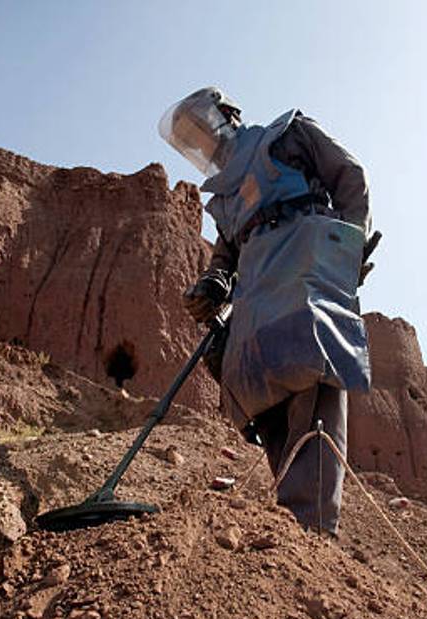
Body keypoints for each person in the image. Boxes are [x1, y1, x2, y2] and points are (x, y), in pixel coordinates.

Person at [158, 87, 374, 535]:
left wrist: (346, 250)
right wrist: (214, 283)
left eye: (201, 130)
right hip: (256, 301)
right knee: (259, 394)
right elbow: (226, 255)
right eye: (191, 141)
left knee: (312, 379)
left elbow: (350, 177)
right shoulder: (227, 198)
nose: (202, 144)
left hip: (304, 277)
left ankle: (312, 531)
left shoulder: (289, 135)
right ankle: (291, 529)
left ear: (226, 116)